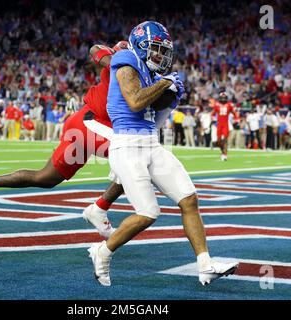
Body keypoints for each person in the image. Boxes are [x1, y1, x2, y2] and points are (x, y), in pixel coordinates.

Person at [87, 21, 238, 287]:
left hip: (150, 143)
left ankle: (205, 265)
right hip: (127, 145)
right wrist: (165, 83)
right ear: (141, 45)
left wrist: (170, 97)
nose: (161, 56)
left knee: (189, 199)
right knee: (148, 212)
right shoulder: (125, 60)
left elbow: (155, 112)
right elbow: (134, 101)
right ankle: (103, 251)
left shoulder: (148, 71)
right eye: (156, 49)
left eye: (163, 50)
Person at [0, 42, 129, 239]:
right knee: (136, 156)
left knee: (46, 179)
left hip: (92, 126)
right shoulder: (121, 65)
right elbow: (95, 49)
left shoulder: (141, 75)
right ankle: (100, 208)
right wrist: (117, 63)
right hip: (88, 124)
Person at [211, 92, 237, 161]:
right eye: (222, 98)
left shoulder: (229, 105)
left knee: (225, 140)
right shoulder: (217, 105)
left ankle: (224, 154)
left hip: (225, 124)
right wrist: (213, 119)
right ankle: (222, 151)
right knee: (219, 141)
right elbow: (212, 114)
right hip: (219, 124)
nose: (223, 99)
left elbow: (234, 113)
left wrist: (236, 120)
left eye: (224, 98)